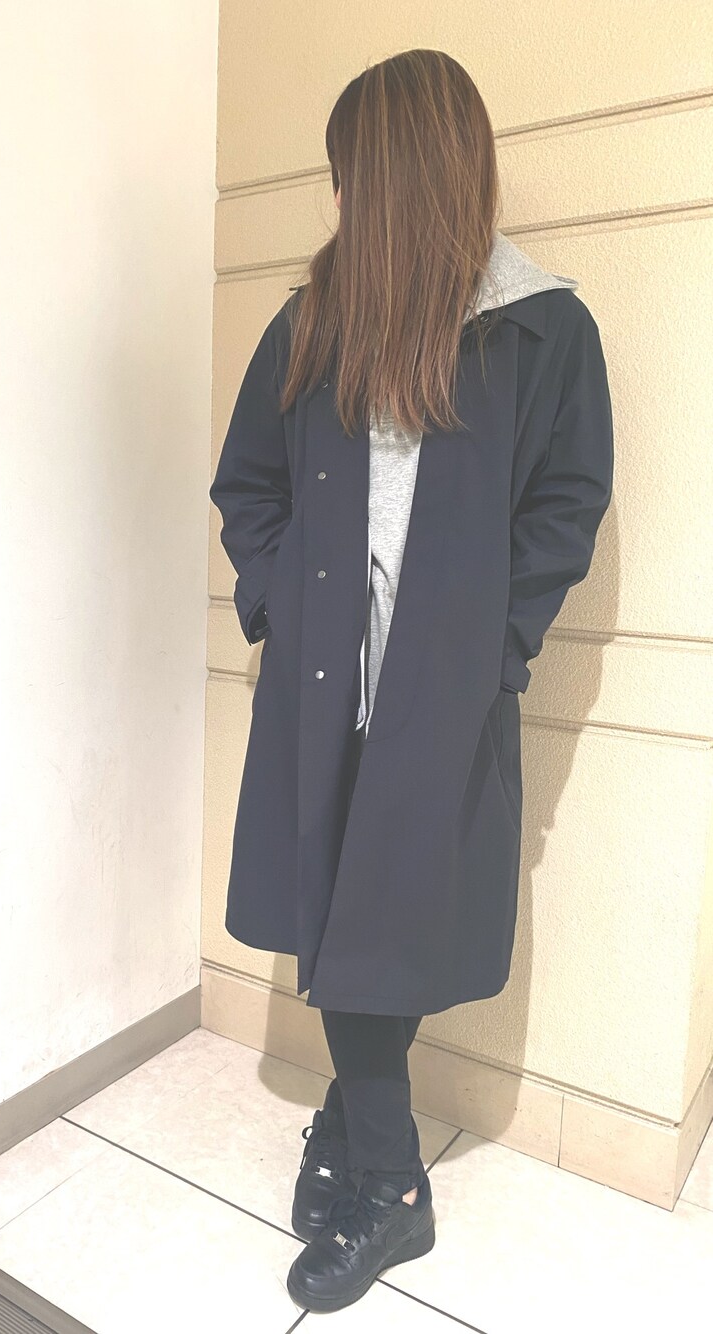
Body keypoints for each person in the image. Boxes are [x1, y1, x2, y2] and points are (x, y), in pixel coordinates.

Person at [209, 50, 614, 1317]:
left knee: (382, 926)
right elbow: (247, 484)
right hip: (321, 688)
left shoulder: (540, 329)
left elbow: (566, 505)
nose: (334, 198)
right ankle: (364, 1139)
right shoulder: (310, 324)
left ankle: (386, 1183)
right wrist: (277, 598)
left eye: (344, 174)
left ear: (391, 178)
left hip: (440, 697)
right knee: (345, 917)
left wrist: (494, 647)